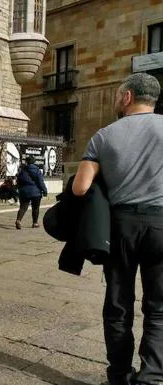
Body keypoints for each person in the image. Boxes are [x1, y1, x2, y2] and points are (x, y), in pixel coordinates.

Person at [72, 73, 163, 385]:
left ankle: (120, 376)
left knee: (118, 304)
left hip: (121, 225)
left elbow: (81, 188)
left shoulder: (104, 135)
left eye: (116, 95)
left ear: (127, 97)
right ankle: (152, 378)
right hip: (162, 224)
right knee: (159, 307)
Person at [15, 156, 47, 229]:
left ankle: (18, 220)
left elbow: (18, 181)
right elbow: (40, 182)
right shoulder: (37, 170)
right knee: (35, 208)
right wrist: (44, 190)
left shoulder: (22, 170)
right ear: (34, 162)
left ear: (26, 162)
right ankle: (35, 223)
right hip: (35, 193)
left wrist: (19, 189)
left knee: (23, 207)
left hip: (24, 192)